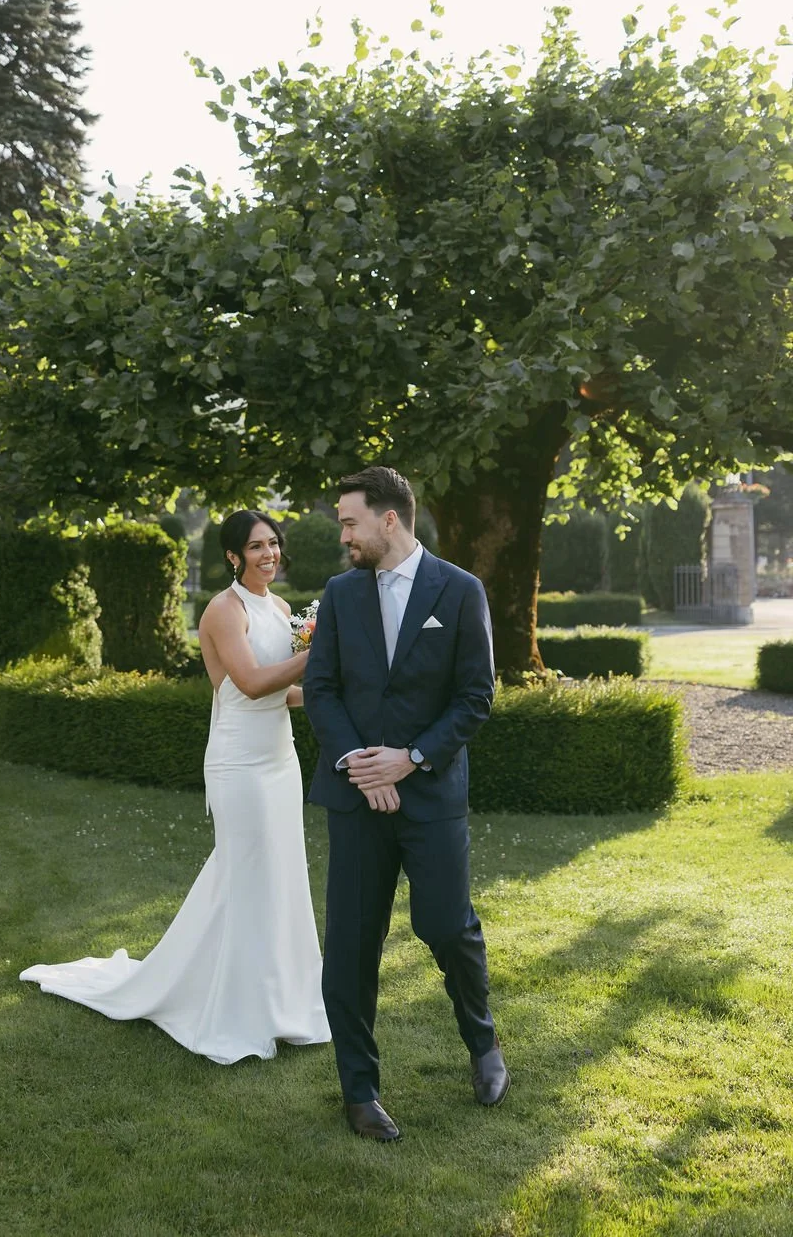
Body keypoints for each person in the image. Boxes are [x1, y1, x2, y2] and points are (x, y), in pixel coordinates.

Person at [20, 509, 330, 1064]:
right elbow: (250, 683)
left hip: (279, 758)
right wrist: (319, 655)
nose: (269, 554)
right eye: (256, 547)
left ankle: (284, 998)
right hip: (239, 762)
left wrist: (327, 695)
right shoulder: (223, 610)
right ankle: (237, 1006)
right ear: (233, 556)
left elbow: (282, 694)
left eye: (273, 543)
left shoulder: (282, 609)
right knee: (246, 872)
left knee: (279, 872)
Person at [303, 466, 508, 1141]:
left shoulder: (460, 589)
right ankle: (359, 1091)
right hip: (356, 795)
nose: (344, 534)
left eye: (350, 521)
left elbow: (475, 695)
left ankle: (483, 1043)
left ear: (389, 518)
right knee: (350, 946)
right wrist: (361, 766)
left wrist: (411, 757)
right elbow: (323, 688)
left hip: (431, 793)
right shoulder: (339, 594)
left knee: (448, 927)